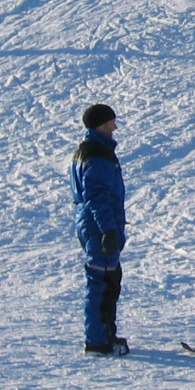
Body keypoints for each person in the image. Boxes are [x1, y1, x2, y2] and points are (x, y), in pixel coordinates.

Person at [72, 103, 129, 355]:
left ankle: (105, 334)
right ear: (100, 125)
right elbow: (96, 196)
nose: (115, 127)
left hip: (92, 223)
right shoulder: (97, 154)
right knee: (102, 282)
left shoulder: (90, 150)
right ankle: (98, 341)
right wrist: (108, 230)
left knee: (109, 279)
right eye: (111, 123)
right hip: (98, 226)